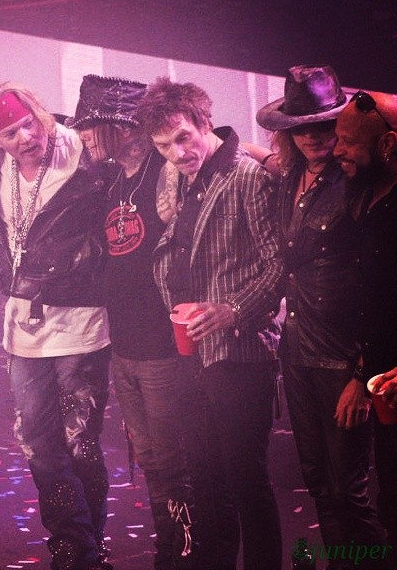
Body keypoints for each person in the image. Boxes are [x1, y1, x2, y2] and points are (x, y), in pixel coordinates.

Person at [137, 77, 284, 570]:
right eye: (163, 146)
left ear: (205, 123)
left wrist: (234, 309)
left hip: (240, 353)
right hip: (191, 351)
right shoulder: (180, 177)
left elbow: (278, 265)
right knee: (204, 477)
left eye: (182, 138)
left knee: (246, 480)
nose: (176, 153)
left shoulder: (247, 177)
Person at [0, 83, 112, 570]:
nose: (25, 138)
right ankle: (74, 542)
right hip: (23, 327)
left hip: (80, 321)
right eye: (10, 134)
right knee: (39, 444)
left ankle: (86, 548)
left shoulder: (84, 157)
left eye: (29, 124)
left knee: (79, 443)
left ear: (40, 114)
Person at [257, 65, 387, 568]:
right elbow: (264, 158)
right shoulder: (289, 176)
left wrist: (361, 373)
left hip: (343, 357)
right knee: (318, 484)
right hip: (298, 352)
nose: (313, 136)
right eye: (301, 127)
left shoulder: (356, 181)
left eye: (324, 125)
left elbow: (377, 286)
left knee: (347, 489)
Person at [71, 74, 196, 570]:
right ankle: (171, 550)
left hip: (163, 345)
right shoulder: (113, 179)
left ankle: (184, 554)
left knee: (173, 462)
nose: (83, 136)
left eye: (91, 126)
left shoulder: (166, 172)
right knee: (151, 462)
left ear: (120, 127)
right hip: (123, 345)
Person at [334, 90, 397, 559]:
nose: (337, 150)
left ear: (388, 145)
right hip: (384, 380)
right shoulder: (366, 193)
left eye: (349, 142)